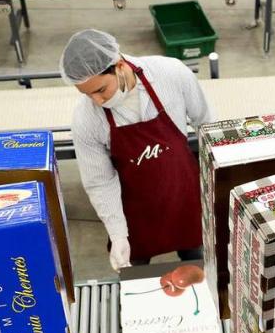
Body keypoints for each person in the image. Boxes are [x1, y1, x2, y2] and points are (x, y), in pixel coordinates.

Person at [60, 30, 214, 269]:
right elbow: (100, 181)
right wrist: (118, 235)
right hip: (136, 217)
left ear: (119, 65)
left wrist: (216, 191)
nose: (97, 101)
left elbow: (207, 128)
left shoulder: (171, 74)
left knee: (200, 271)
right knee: (135, 280)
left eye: (100, 90)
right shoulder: (86, 119)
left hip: (185, 201)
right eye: (87, 94)